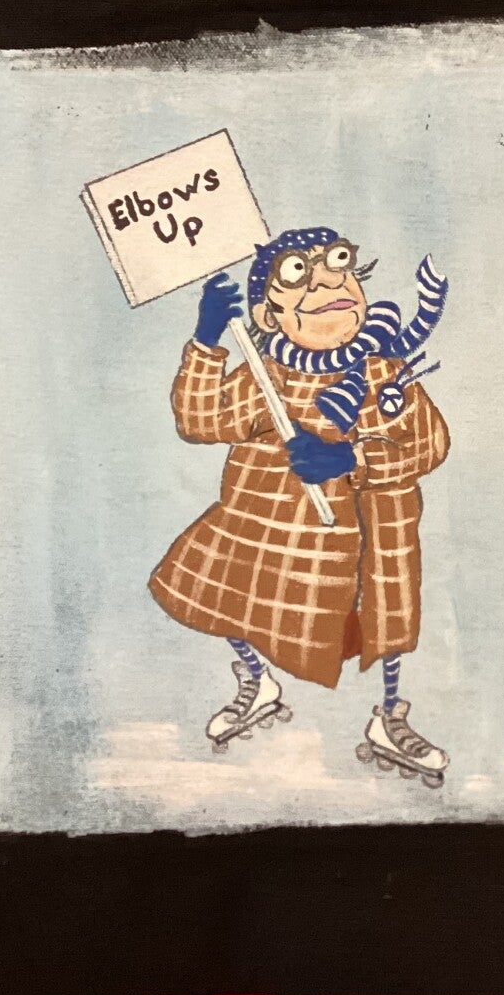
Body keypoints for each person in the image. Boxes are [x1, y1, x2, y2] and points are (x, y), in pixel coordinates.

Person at [148, 227, 454, 785]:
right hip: (271, 535)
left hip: (374, 536)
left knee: (383, 625)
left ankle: (389, 718)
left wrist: (352, 459)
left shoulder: (384, 373)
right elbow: (200, 420)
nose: (329, 282)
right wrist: (206, 341)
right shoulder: (267, 377)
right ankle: (256, 680)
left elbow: (429, 443)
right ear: (268, 317)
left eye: (338, 266)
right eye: (299, 277)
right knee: (216, 591)